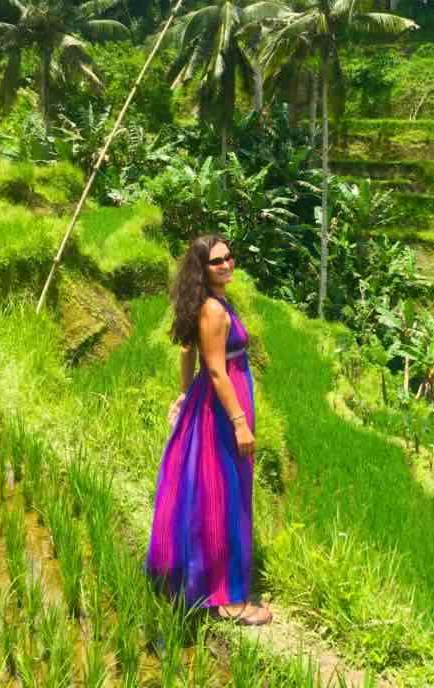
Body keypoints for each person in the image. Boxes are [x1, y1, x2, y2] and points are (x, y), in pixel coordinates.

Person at [145, 235, 273, 626]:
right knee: (225, 490)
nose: (227, 265)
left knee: (212, 485)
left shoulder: (213, 302)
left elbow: (187, 351)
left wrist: (185, 395)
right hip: (223, 404)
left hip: (218, 400)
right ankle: (226, 598)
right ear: (203, 268)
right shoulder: (214, 310)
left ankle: (201, 576)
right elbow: (216, 370)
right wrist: (238, 422)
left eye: (230, 257)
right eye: (217, 261)